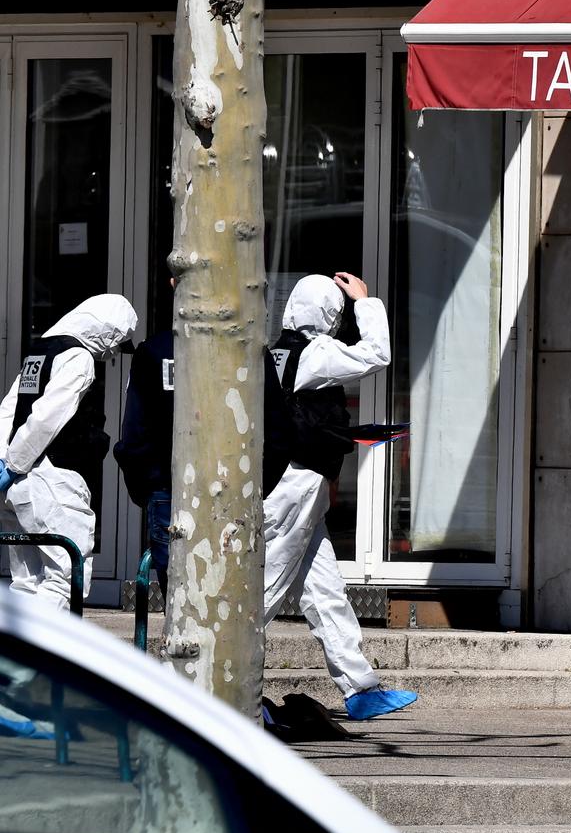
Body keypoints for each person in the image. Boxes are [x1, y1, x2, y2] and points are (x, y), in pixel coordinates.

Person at [263, 272, 417, 721]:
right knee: (267, 586)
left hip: (291, 480)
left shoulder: (275, 351)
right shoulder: (317, 351)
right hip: (299, 483)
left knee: (324, 588)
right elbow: (377, 354)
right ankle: (224, 687)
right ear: (330, 313)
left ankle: (360, 687)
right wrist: (365, 302)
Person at [114, 281, 291, 599]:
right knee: (229, 595)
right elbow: (278, 435)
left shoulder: (155, 351)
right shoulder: (250, 350)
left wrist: (151, 489)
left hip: (171, 493)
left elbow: (134, 437)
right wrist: (254, 485)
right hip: (230, 491)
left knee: (180, 600)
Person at [0, 295, 138, 610]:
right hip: (52, 480)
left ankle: (20, 655)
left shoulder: (40, 352)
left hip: (18, 488)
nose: (114, 351)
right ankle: (46, 653)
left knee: (26, 582)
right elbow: (48, 416)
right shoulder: (79, 358)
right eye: (116, 342)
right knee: (64, 580)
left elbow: (8, 409)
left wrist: (5, 462)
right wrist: (16, 464)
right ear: (107, 331)